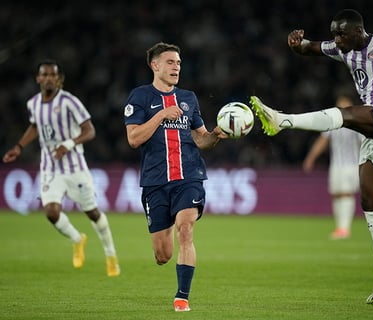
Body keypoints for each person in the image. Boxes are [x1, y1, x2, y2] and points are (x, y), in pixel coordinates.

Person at [249, 9, 373, 304]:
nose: (336, 39)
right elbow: (311, 48)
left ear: (357, 31)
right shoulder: (343, 49)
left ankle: (281, 121)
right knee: (369, 198)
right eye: (334, 33)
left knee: (344, 115)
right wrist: (296, 44)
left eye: (340, 33)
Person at [123, 42, 227, 312]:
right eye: (170, 62)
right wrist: (161, 115)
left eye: (178, 63)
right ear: (154, 65)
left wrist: (215, 135)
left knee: (186, 229)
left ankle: (182, 297)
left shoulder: (189, 98)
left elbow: (200, 140)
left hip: (189, 177)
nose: (176, 67)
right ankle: (165, 237)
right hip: (155, 182)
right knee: (162, 255)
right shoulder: (140, 97)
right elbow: (133, 139)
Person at [2, 60, 120, 277]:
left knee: (92, 212)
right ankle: (77, 239)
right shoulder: (33, 104)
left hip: (75, 167)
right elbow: (36, 126)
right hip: (50, 168)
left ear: (58, 79)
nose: (48, 78)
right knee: (51, 212)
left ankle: (110, 255)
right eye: (44, 75)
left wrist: (68, 143)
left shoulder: (69, 102)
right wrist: (19, 147)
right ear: (38, 78)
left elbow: (90, 130)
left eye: (52, 75)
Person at [302, 92, 363, 239]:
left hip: (351, 165)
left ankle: (345, 228)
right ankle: (340, 227)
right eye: (339, 104)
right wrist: (311, 157)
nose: (342, 107)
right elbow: (322, 141)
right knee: (336, 194)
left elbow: (365, 142)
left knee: (346, 193)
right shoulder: (333, 122)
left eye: (345, 104)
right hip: (336, 165)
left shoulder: (357, 122)